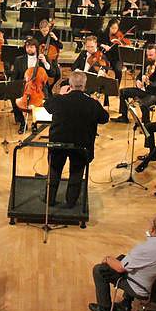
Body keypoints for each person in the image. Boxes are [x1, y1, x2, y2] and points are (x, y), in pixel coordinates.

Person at [89, 212, 156, 311]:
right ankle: (125, 304)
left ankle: (105, 309)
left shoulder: (144, 249)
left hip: (141, 288)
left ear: (153, 229)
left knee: (99, 270)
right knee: (123, 258)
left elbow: (120, 268)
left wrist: (107, 259)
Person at [45, 70, 109, 208]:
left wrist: (61, 94)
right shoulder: (92, 103)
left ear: (70, 85)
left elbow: (47, 105)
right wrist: (97, 104)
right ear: (84, 86)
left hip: (58, 144)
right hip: (81, 146)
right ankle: (71, 202)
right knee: (76, 171)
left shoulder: (59, 100)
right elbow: (105, 118)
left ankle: (50, 200)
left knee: (54, 169)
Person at [116, 43, 156, 124]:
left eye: (151, 55)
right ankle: (123, 117)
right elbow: (139, 75)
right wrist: (138, 81)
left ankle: (146, 124)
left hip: (155, 94)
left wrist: (148, 82)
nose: (148, 57)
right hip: (145, 90)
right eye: (147, 55)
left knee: (143, 103)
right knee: (123, 92)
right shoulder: (147, 62)